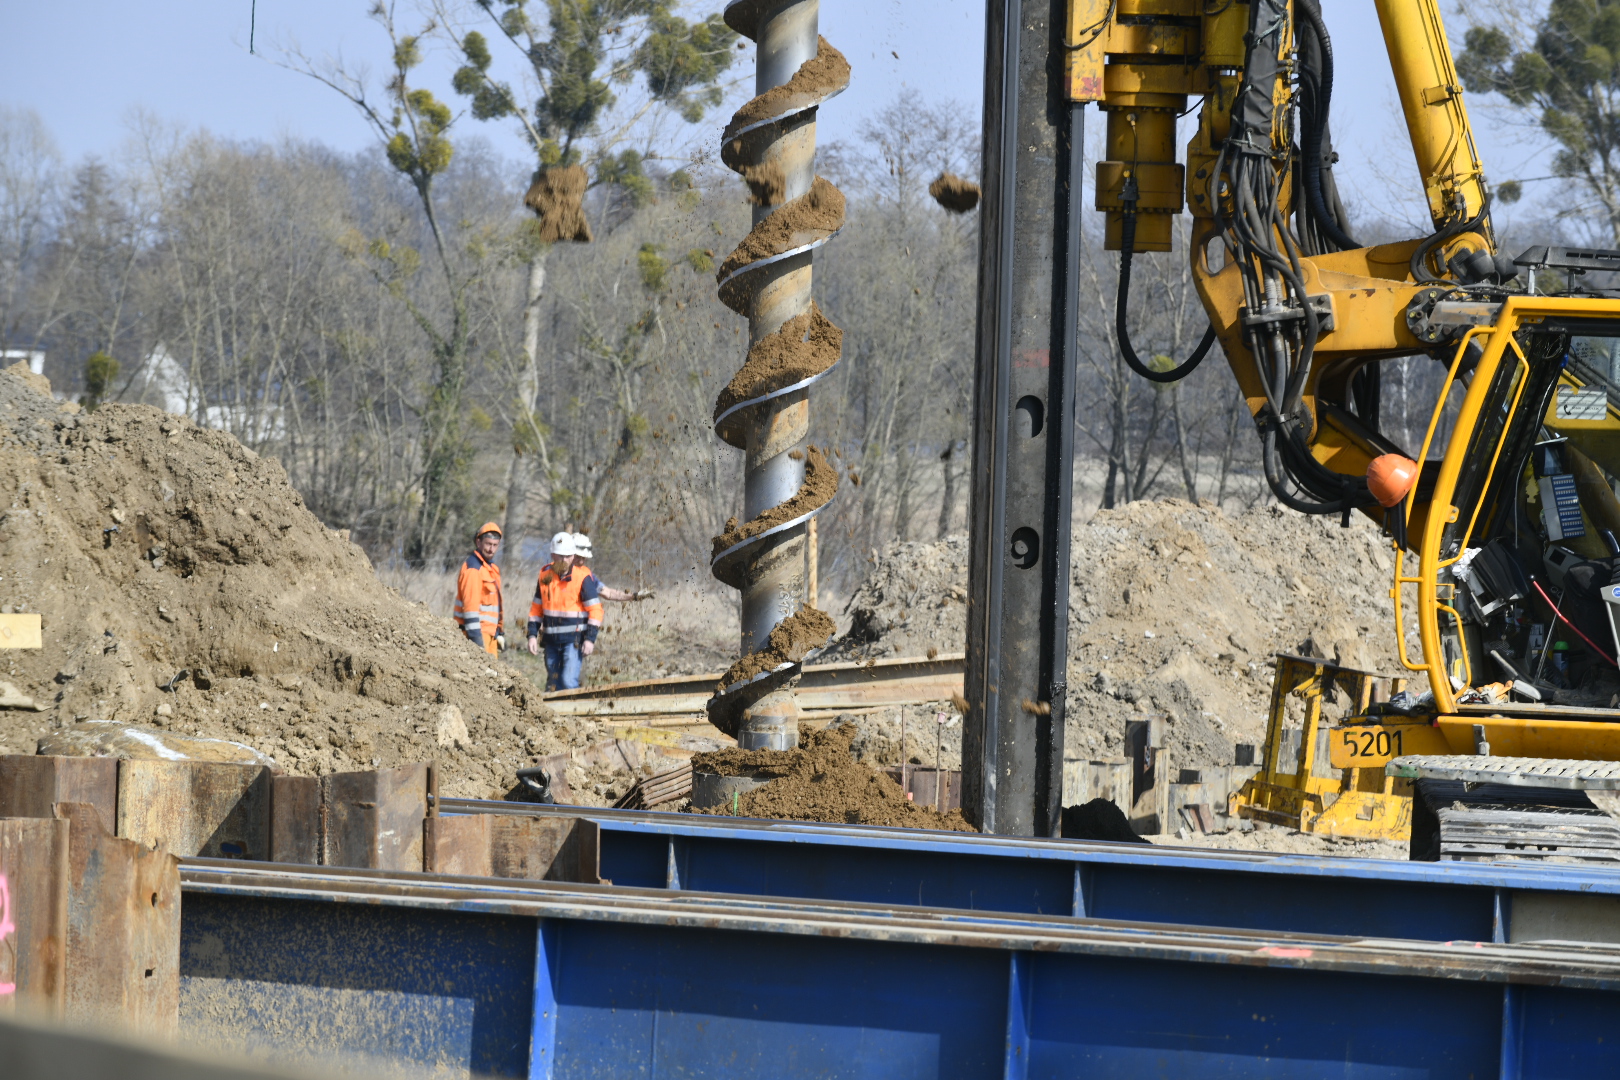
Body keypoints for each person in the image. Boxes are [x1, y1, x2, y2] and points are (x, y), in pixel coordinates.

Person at [526, 531, 604, 690]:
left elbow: (596, 610)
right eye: (560, 556)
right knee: (553, 684)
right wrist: (532, 636)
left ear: (573, 556)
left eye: (568, 556)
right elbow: (536, 609)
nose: (564, 560)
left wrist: (590, 639)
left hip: (573, 641)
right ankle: (554, 714)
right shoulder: (544, 576)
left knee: (568, 682)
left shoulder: (582, 578)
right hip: (551, 640)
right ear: (553, 555)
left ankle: (574, 714)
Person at [454, 522, 505, 655]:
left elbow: (495, 606)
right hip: (477, 634)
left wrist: (499, 631)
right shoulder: (473, 569)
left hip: (490, 634)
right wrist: (476, 641)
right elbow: (470, 608)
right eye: (488, 544)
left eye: (495, 545)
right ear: (478, 542)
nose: (491, 549)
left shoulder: (492, 569)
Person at [571, 532, 655, 602]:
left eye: (584, 558)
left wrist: (634, 596)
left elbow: (608, 593)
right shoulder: (558, 573)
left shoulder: (585, 575)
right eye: (578, 557)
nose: (581, 562)